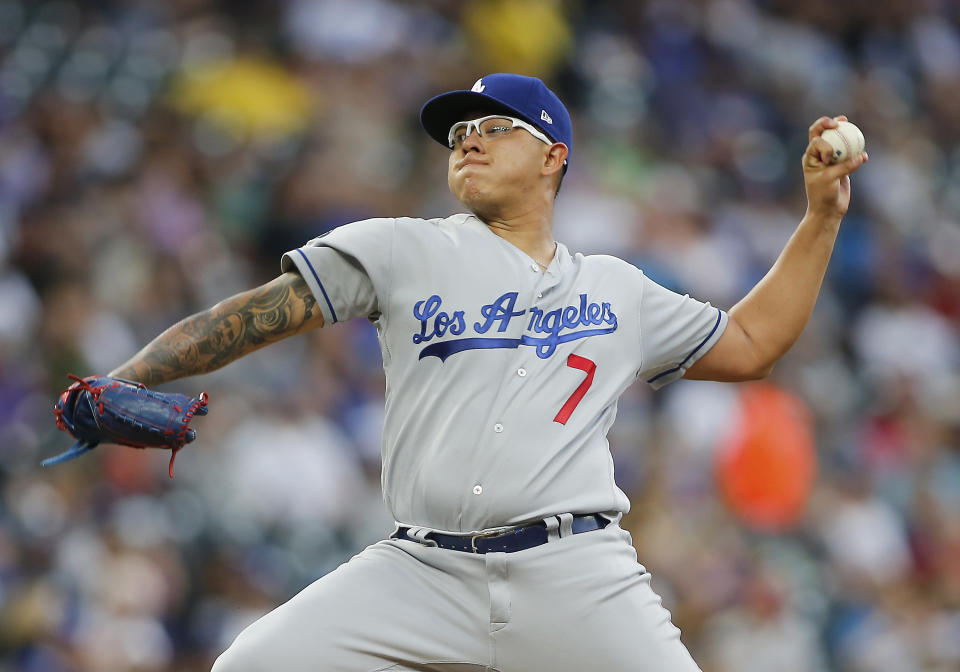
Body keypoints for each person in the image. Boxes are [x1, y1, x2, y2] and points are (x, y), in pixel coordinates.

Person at [100, 73, 866, 671]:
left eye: (495, 128)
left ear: (553, 156)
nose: (467, 141)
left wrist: (821, 218)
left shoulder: (617, 288)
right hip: (420, 568)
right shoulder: (405, 247)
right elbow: (255, 312)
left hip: (574, 570)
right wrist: (127, 377)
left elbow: (753, 341)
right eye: (458, 133)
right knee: (254, 666)